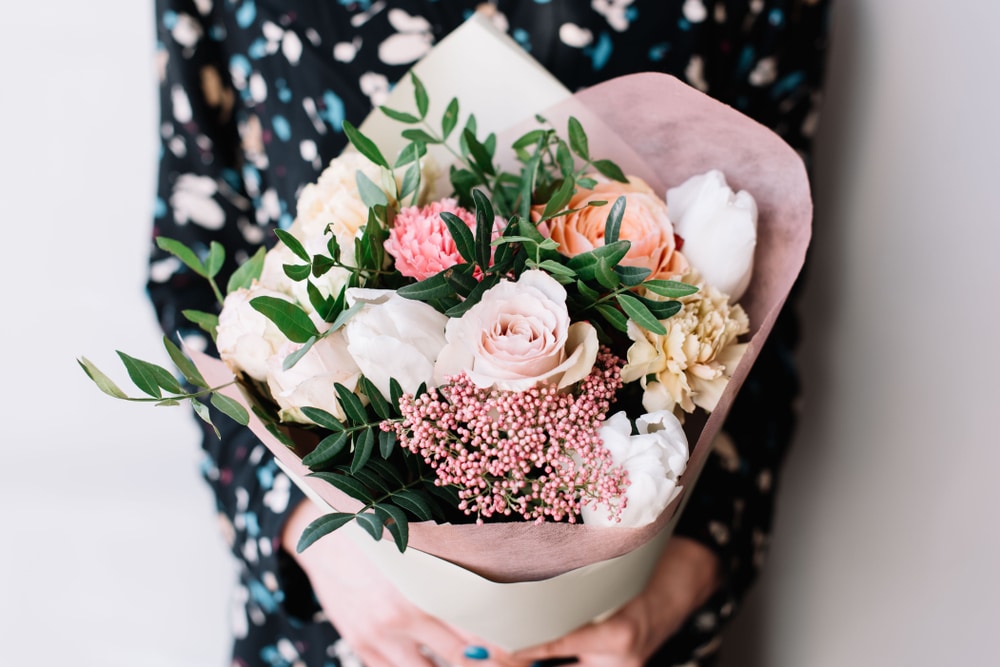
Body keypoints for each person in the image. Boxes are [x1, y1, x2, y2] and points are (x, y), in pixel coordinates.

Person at [148, 1, 831, 665]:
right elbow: (194, 262)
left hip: (630, 635)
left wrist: (686, 572)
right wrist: (303, 534)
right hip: (346, 630)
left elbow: (771, 277)